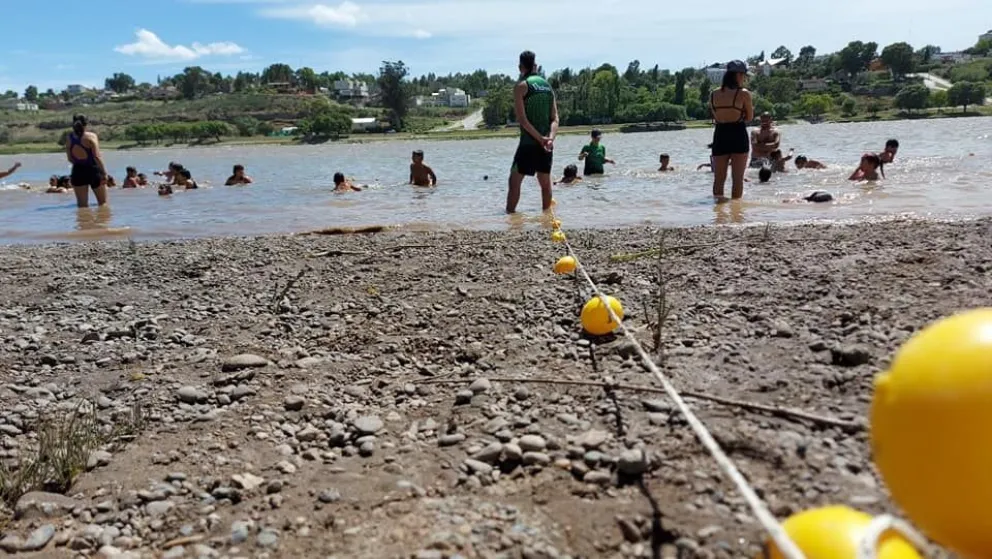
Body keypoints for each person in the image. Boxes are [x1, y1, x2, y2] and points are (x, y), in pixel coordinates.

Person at [506, 50, 558, 214]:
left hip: (528, 143)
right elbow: (555, 118)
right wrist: (549, 138)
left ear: (520, 67)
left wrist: (539, 138)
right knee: (545, 183)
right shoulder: (547, 87)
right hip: (546, 145)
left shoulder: (521, 86)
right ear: (535, 65)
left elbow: (522, 120)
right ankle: (547, 217)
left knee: (514, 181)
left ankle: (510, 217)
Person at [709, 60, 754, 200]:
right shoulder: (744, 94)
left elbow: (715, 116)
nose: (744, 78)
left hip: (720, 134)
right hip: (738, 133)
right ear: (738, 75)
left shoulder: (714, 94)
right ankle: (736, 210)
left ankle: (718, 208)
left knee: (719, 178)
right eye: (744, 75)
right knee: (737, 178)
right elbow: (749, 117)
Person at [65, 114, 109, 208]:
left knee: (82, 205)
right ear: (86, 124)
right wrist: (104, 173)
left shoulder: (69, 138)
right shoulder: (91, 136)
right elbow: (96, 157)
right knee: (103, 203)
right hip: (93, 170)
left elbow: (70, 158)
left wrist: (80, 165)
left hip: (78, 171)